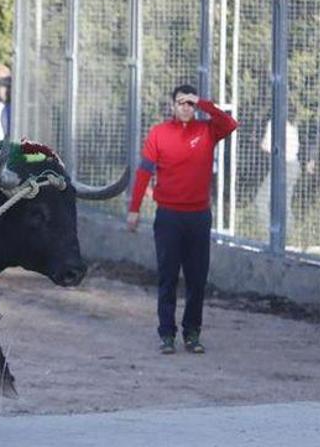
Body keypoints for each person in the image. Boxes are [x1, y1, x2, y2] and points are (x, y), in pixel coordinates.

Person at [127, 84, 238, 355]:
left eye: (189, 103)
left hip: (199, 216)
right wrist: (134, 208)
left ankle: (192, 333)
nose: (185, 108)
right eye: (181, 103)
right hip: (169, 217)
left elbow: (230, 123)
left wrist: (203, 103)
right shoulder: (159, 133)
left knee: (197, 278)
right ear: (172, 106)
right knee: (167, 277)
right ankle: (167, 334)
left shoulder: (207, 130)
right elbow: (144, 172)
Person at [256, 117, 300, 234]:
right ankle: (289, 234)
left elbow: (266, 145)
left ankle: (269, 233)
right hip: (294, 165)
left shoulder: (274, 123)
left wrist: (260, 143)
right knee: (284, 202)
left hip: (282, 166)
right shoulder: (293, 124)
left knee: (261, 200)